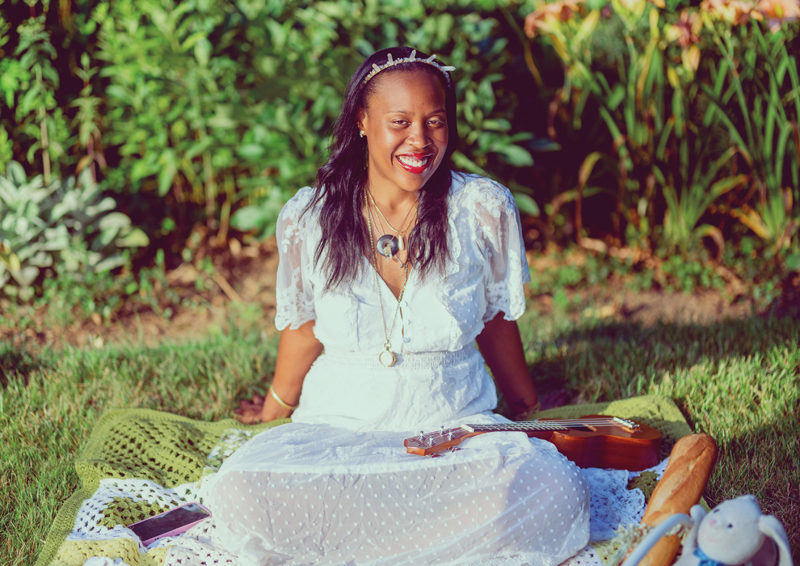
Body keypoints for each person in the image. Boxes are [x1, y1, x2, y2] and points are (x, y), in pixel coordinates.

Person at [200, 46, 590, 565]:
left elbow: (495, 320)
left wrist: (526, 409)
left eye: (435, 122)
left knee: (555, 494)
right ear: (362, 120)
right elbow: (304, 328)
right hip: (338, 428)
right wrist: (275, 412)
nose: (420, 141)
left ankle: (366, 541)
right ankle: (421, 539)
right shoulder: (309, 218)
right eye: (400, 122)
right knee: (241, 492)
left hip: (453, 429)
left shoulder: (480, 208)